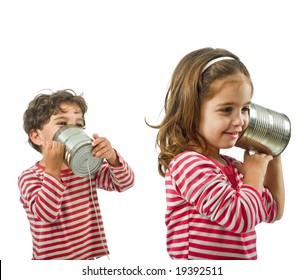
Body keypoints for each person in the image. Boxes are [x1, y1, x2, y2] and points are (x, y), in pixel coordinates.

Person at [150, 48, 285, 260]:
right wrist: (255, 174)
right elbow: (239, 218)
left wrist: (272, 154)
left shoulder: (232, 166)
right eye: (227, 109)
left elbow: (273, 211)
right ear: (192, 110)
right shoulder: (189, 165)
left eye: (245, 109)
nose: (240, 121)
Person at [18, 89, 135, 260]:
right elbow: (47, 214)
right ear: (37, 136)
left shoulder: (85, 168)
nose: (73, 130)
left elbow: (124, 183)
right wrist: (52, 170)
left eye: (79, 125)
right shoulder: (30, 177)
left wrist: (111, 157)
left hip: (88, 257)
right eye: (62, 124)